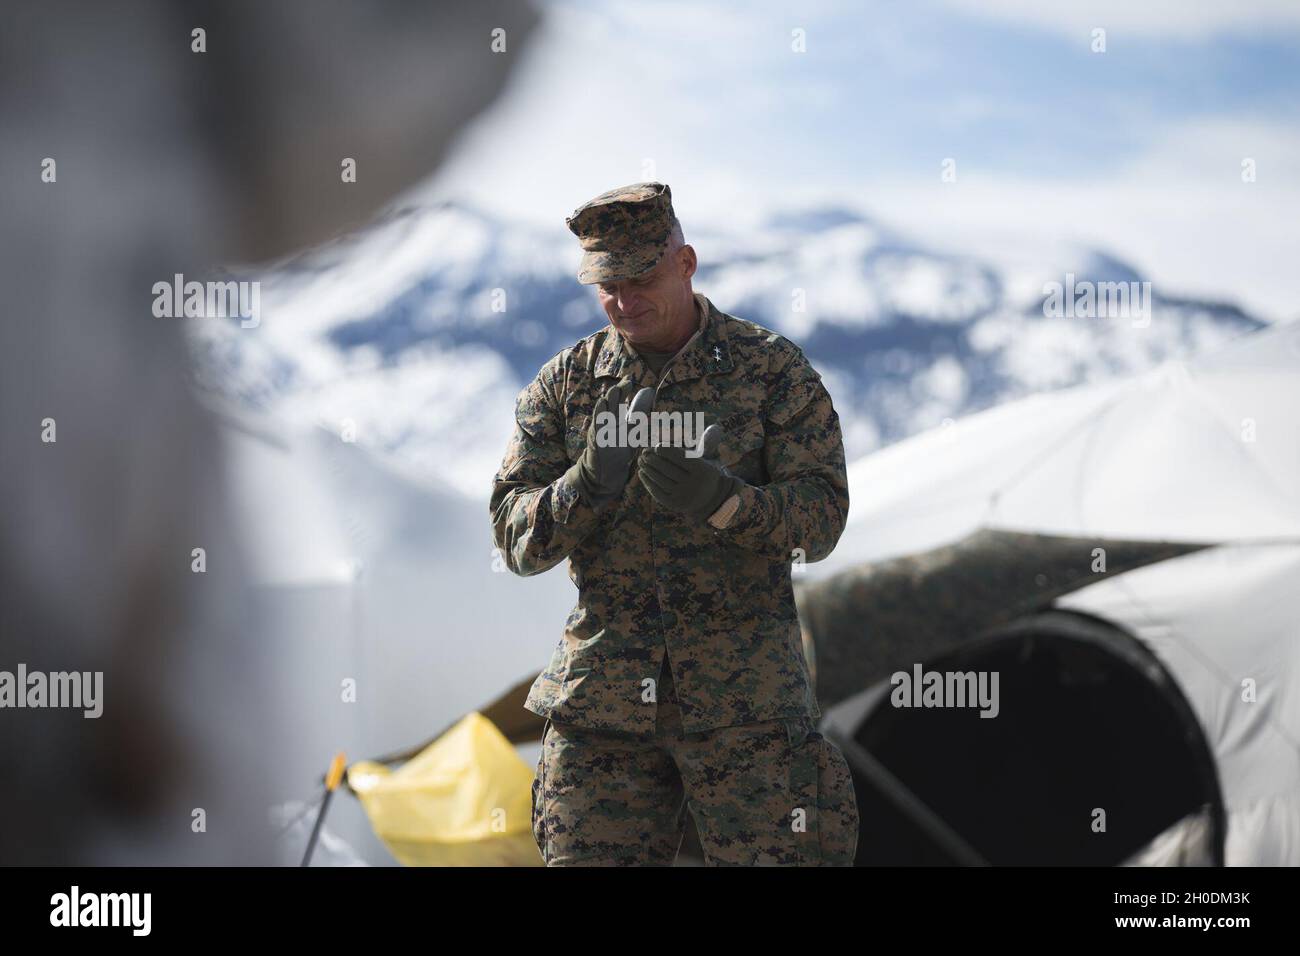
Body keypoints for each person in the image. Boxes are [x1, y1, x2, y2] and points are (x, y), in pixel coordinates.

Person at [490, 182, 859, 865]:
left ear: (686, 264)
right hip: (602, 708)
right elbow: (515, 540)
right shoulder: (567, 384)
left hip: (748, 704)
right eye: (607, 284)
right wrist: (584, 484)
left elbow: (823, 519)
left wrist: (727, 503)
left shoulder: (771, 372)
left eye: (642, 278)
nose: (624, 300)